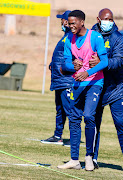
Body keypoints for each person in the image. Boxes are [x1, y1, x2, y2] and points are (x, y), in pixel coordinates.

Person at [57, 10, 108, 171]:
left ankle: (89, 157)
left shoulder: (95, 37)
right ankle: (74, 160)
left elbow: (105, 61)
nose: (70, 26)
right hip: (77, 84)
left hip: (94, 83)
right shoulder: (68, 40)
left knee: (88, 116)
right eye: (69, 23)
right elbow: (64, 64)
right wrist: (72, 66)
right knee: (73, 119)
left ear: (81, 22)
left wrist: (87, 72)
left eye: (73, 23)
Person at [89, 8, 123, 172]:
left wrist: (102, 62)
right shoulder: (91, 36)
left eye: (111, 19)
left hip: (116, 89)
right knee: (94, 124)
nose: (109, 22)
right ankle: (92, 158)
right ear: (98, 19)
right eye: (105, 19)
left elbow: (120, 60)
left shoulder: (118, 38)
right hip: (96, 86)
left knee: (120, 123)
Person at [41, 10, 73, 145]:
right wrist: (52, 64)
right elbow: (60, 56)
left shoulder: (72, 36)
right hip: (59, 80)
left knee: (70, 111)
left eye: (62, 20)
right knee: (59, 109)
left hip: (67, 81)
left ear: (67, 21)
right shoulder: (66, 36)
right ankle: (57, 135)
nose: (60, 22)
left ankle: (74, 138)